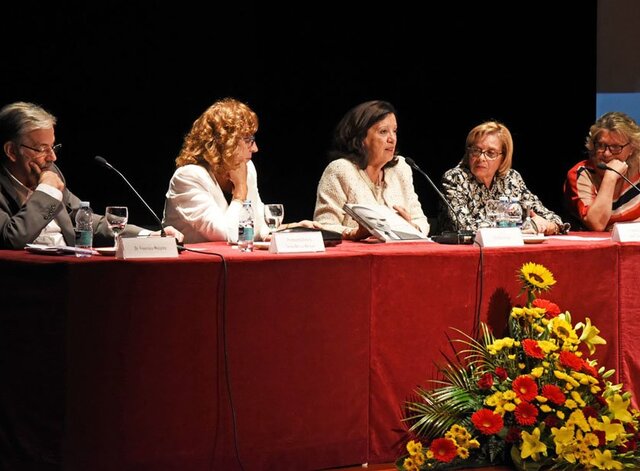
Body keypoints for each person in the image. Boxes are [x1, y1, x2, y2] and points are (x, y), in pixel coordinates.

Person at [0, 101, 183, 250]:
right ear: (12, 151)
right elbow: (11, 238)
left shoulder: (52, 174)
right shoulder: (48, 183)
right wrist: (46, 192)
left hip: (70, 270)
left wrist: (148, 235)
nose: (52, 157)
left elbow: (87, 221)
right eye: (41, 149)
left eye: (53, 147)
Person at [163, 97, 317, 244]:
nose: (255, 148)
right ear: (223, 142)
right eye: (248, 140)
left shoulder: (247, 168)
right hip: (195, 263)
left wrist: (292, 228)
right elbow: (227, 235)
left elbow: (255, 228)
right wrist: (240, 191)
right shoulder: (188, 177)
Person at [313, 100, 429, 240]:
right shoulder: (340, 170)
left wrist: (411, 227)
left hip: (399, 251)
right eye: (383, 131)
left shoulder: (401, 168)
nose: (392, 138)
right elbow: (324, 226)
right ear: (361, 138)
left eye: (394, 131)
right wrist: (354, 233)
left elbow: (421, 221)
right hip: (357, 253)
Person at [440, 120, 565, 235]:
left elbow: (550, 217)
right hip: (464, 250)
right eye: (476, 150)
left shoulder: (511, 179)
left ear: (503, 157)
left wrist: (551, 226)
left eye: (491, 153)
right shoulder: (454, 179)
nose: (481, 158)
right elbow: (464, 227)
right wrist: (526, 226)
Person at [564, 111, 640, 231]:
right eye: (600, 145)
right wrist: (610, 178)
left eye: (616, 147)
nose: (606, 153)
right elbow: (596, 224)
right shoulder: (582, 173)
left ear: (632, 148)